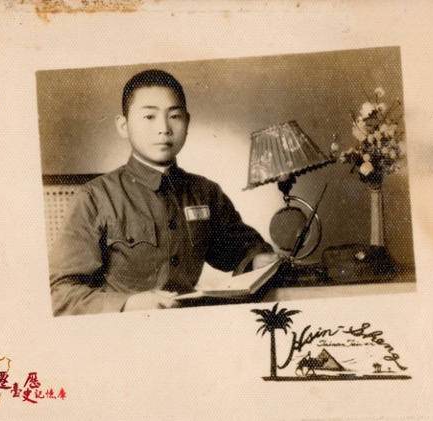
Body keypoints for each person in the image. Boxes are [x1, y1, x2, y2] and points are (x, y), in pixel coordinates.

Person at [49, 69, 277, 316]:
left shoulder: (205, 192)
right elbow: (59, 293)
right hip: (125, 330)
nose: (164, 128)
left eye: (174, 116)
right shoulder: (95, 197)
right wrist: (128, 304)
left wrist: (256, 260)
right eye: (149, 116)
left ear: (187, 123)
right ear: (124, 126)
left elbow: (242, 249)